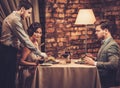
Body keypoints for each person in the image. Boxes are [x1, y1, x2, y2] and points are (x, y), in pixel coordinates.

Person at [0, 1, 47, 88]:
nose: (29, 15)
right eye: (28, 12)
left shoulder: (15, 18)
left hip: (8, 51)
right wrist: (39, 53)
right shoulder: (14, 20)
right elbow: (25, 39)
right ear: (22, 9)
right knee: (7, 81)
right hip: (7, 52)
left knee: (8, 80)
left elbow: (18, 39)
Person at [83, 19, 120, 88]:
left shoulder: (112, 45)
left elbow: (114, 65)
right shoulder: (105, 43)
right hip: (100, 78)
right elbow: (106, 59)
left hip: (106, 81)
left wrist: (94, 63)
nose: (95, 33)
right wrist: (94, 58)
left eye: (98, 31)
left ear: (105, 31)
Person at [17, 22, 44, 88]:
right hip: (26, 73)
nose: (39, 35)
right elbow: (20, 62)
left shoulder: (36, 43)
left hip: (33, 72)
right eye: (36, 32)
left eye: (40, 33)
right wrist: (34, 64)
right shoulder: (28, 45)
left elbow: (35, 56)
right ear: (32, 32)